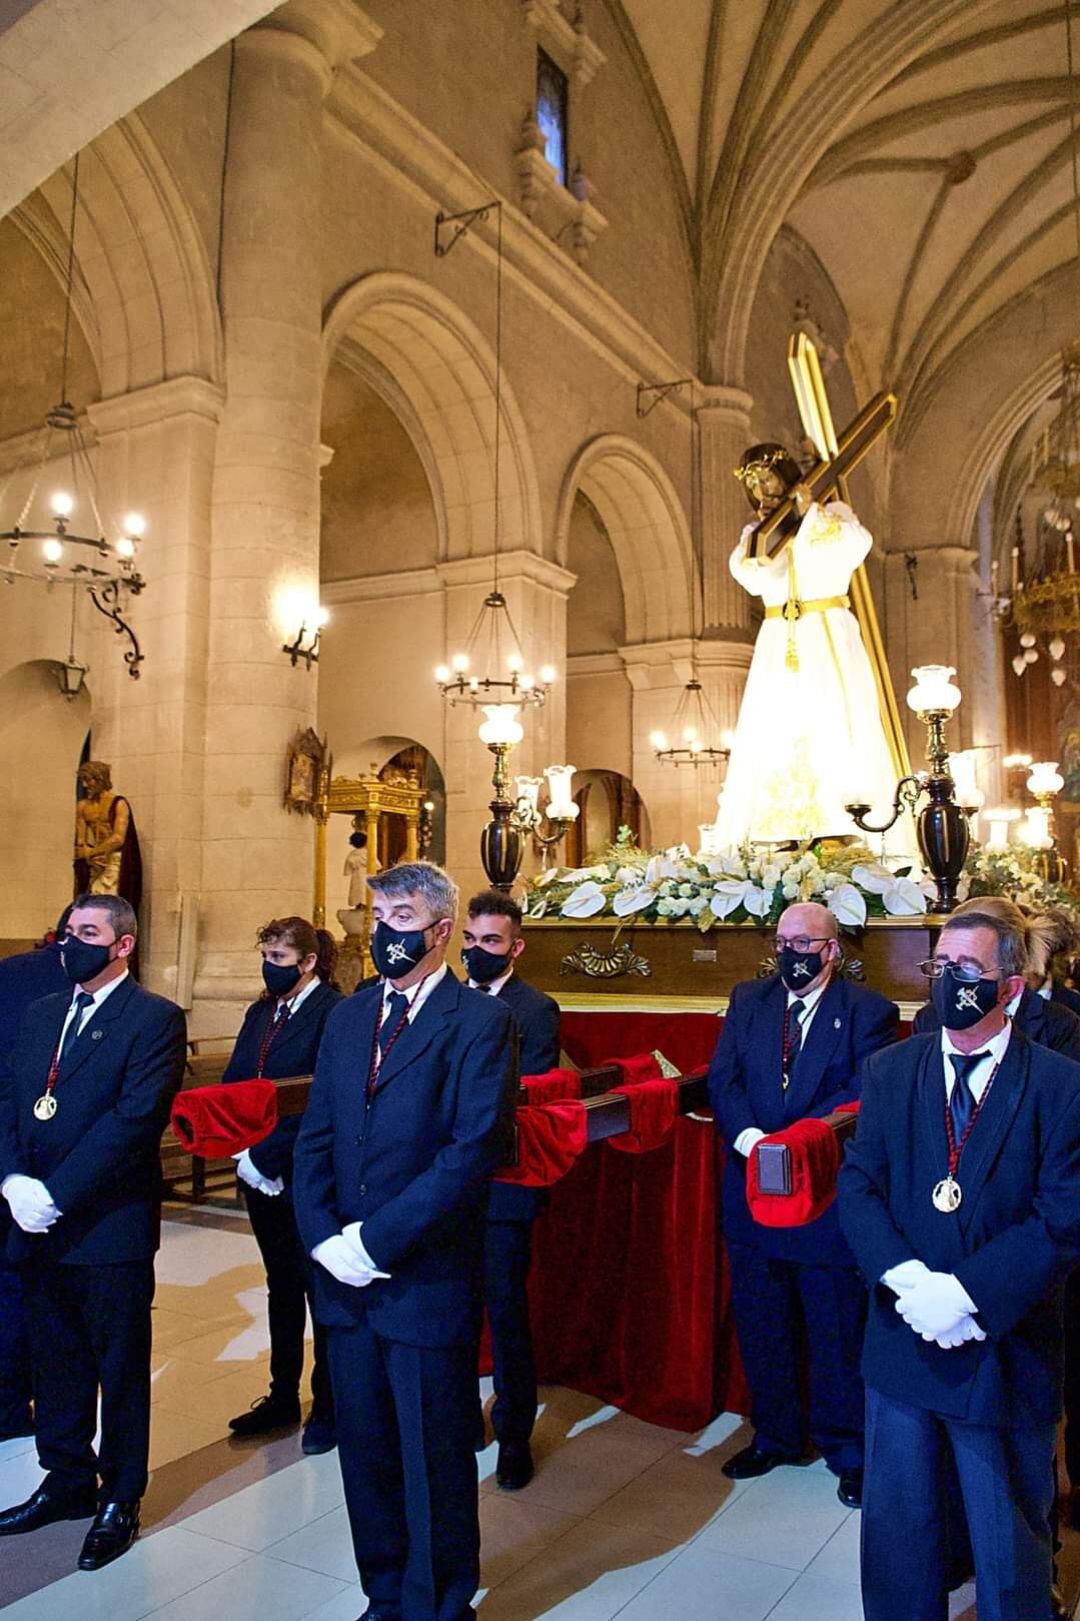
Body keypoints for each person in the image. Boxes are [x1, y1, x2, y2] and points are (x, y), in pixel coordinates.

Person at [837, 904, 1080, 1621]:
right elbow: (859, 1185)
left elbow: (1062, 1217)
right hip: (903, 1339)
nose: (951, 982)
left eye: (969, 970)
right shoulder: (889, 1069)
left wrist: (967, 1294)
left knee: (1008, 1546)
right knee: (900, 1540)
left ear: (1009, 987)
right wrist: (909, 1284)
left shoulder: (1061, 1085)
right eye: (942, 968)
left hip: (1003, 1346)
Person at [293, 860, 517, 1621]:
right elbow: (317, 1132)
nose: (383, 930)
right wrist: (324, 1237)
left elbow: (471, 1149)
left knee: (432, 1455)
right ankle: (384, 1594)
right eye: (378, 914)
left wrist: (374, 1241)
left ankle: (437, 1602)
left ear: (441, 931)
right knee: (367, 1451)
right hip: (343, 1279)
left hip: (421, 1274)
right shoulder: (350, 1015)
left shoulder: (481, 1021)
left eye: (400, 918)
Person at [0, 895, 186, 1571]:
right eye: (66, 932)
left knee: (119, 1364)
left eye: (86, 933)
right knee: (54, 1358)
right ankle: (67, 1477)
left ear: (123, 945)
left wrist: (56, 1191)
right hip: (36, 1222)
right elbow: (7, 1096)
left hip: (108, 1226)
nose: (69, 945)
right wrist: (13, 1180)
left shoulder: (155, 1019)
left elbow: (134, 1122)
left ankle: (120, 1494)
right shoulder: (42, 1013)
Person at [708, 900, 898, 1507]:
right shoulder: (749, 1001)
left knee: (834, 1327)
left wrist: (792, 1147)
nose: (791, 954)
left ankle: (847, 1450)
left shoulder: (868, 1011)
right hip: (750, 1190)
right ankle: (777, 1435)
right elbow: (724, 1080)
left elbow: (858, 1093)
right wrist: (750, 1140)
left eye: (804, 943)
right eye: (783, 941)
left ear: (832, 950)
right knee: (763, 1322)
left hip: (821, 1197)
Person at [713, 444, 909, 850]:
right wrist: (778, 530)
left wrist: (809, 518)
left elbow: (855, 545)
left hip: (825, 630)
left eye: (768, 480)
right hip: (777, 638)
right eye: (755, 485)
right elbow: (751, 574)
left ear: (785, 477)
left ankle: (841, 822)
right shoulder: (758, 534)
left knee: (835, 720)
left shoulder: (833, 514)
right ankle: (778, 829)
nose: (763, 490)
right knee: (777, 728)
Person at [223, 916, 342, 1454]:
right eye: (266, 958)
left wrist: (267, 1154)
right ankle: (281, 1394)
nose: (270, 969)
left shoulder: (333, 1013)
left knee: (319, 1288)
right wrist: (240, 1151)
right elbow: (235, 1087)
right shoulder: (259, 1012)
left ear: (309, 962)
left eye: (280, 960)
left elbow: (322, 1097)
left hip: (306, 1172)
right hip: (257, 1171)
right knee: (280, 1284)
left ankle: (329, 1402)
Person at [462, 888, 561, 1491]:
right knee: (454, 1308)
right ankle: (462, 1420)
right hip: (446, 1188)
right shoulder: (445, 1000)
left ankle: (516, 1432)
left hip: (502, 1187)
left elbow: (525, 1094)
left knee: (505, 1313)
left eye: (490, 942)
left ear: (515, 948)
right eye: (470, 941)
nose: (476, 952)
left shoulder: (535, 1009)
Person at [0, 907, 71, 1443]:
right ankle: (26, 1401)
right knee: (29, 1286)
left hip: (7, 1152)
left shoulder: (10, 972)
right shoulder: (71, 980)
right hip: (46, 1158)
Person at [912, 895, 1080, 1061]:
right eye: (942, 964)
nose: (950, 978)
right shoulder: (929, 1019)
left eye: (968, 966)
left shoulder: (1061, 1024)